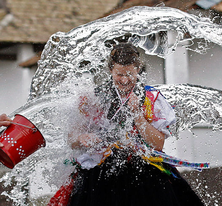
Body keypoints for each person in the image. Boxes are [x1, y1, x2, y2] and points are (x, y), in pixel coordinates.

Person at [48, 43, 204, 206]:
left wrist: (137, 115)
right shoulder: (93, 98)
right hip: (101, 175)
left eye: (130, 74)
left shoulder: (151, 98)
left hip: (144, 174)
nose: (124, 80)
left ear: (138, 69)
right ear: (110, 70)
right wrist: (81, 137)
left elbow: (157, 144)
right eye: (119, 74)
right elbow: (71, 139)